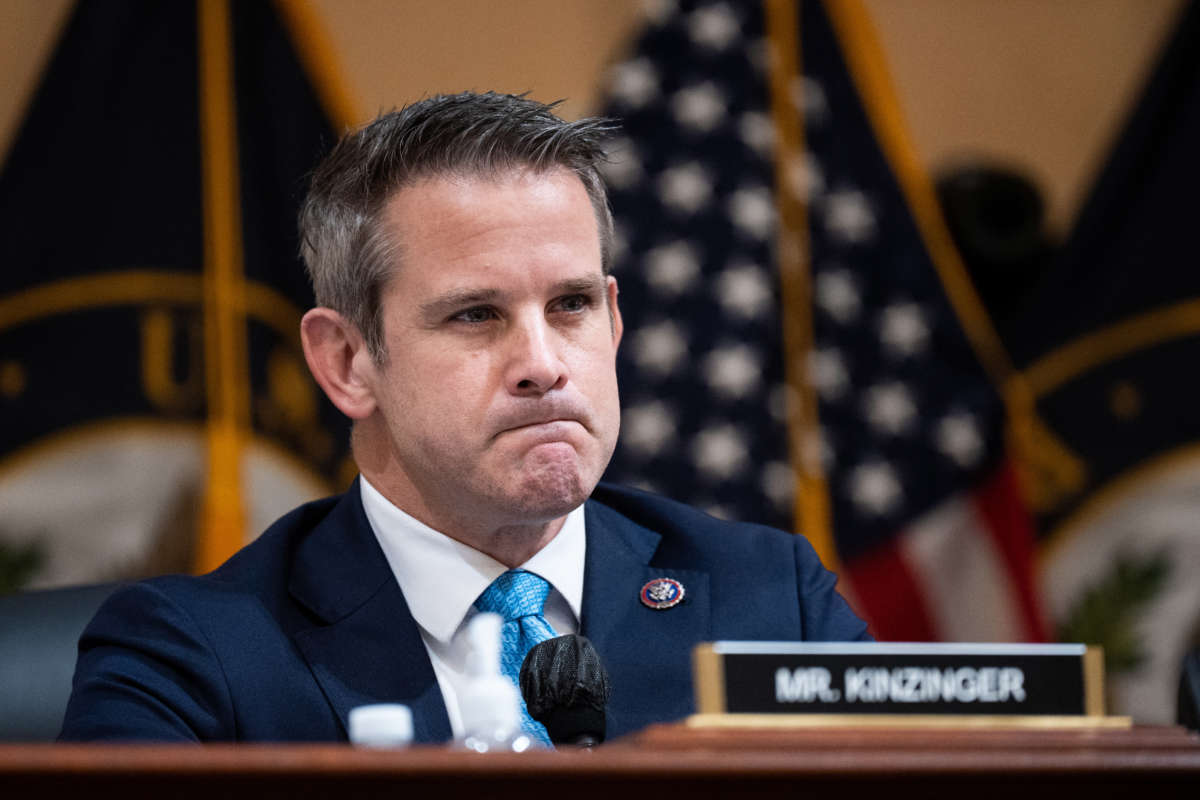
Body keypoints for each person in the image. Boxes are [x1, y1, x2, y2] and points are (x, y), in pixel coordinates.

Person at [60, 92, 869, 743]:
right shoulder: (189, 661)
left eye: (572, 305)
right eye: (477, 315)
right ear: (347, 362)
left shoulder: (770, 602)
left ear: (615, 321)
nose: (544, 362)